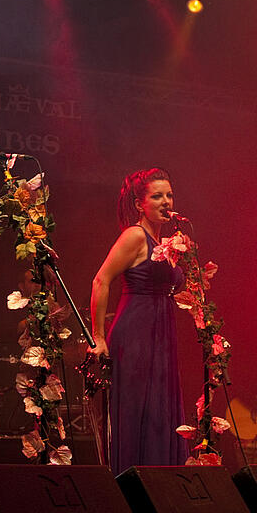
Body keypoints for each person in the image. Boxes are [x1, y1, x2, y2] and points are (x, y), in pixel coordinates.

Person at [90, 168, 187, 474]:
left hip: (163, 334)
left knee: (160, 412)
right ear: (139, 204)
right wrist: (99, 336)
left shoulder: (169, 242)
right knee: (139, 412)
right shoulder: (134, 236)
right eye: (157, 196)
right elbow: (100, 281)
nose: (166, 201)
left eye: (169, 195)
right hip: (136, 334)